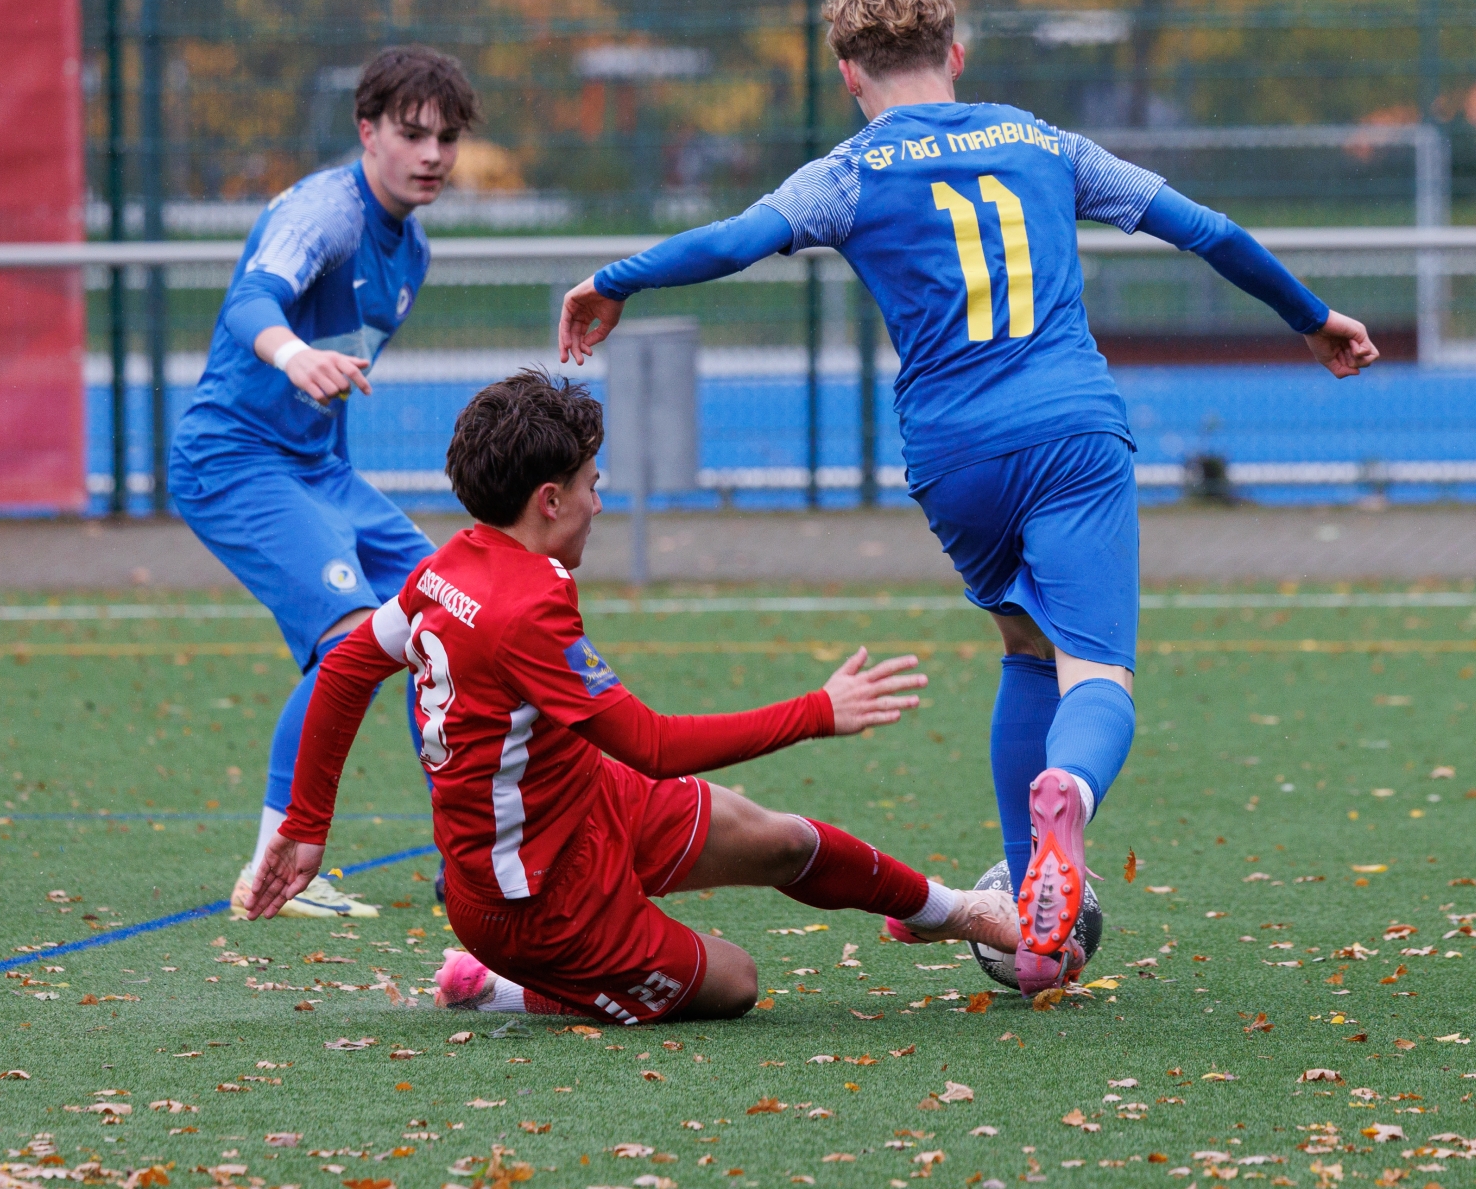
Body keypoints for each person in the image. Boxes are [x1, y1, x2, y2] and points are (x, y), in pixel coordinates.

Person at [555, 0, 1379, 993]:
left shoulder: (848, 173)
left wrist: (613, 280)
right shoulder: (1045, 143)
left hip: (953, 457)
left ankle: (1034, 917)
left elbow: (736, 242)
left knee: (1025, 646)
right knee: (1096, 674)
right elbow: (1204, 230)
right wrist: (1312, 316)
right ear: (956, 53)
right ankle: (1068, 796)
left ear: (848, 73)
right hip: (1071, 431)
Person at [245, 370, 1022, 1021]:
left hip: (584, 801)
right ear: (550, 500)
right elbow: (651, 744)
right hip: (533, 904)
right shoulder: (524, 607)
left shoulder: (452, 561)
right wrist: (816, 711)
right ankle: (500, 986)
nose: (600, 501)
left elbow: (347, 667)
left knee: (782, 840)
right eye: (591, 484)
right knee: (736, 980)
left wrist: (305, 823)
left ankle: (955, 911)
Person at [169, 45, 479, 919]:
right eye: (412, 134)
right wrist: (293, 353)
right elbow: (250, 302)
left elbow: (335, 380)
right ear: (366, 131)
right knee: (354, 641)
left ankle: (469, 855)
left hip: (317, 470)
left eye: (446, 138)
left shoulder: (412, 250)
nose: (431, 154)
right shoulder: (324, 212)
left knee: (453, 616)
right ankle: (273, 863)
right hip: (232, 459)